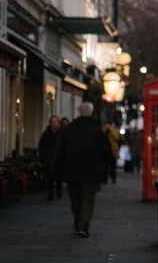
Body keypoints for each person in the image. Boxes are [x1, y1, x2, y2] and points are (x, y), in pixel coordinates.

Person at [52, 102, 112, 238]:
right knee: (87, 199)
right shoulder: (97, 131)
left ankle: (78, 223)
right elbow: (106, 151)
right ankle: (83, 227)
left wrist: (55, 170)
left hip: (72, 171)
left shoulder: (69, 129)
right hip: (91, 172)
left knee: (75, 200)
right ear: (91, 113)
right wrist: (104, 168)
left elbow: (59, 152)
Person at [37, 116, 62, 201]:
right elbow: (41, 145)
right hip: (49, 158)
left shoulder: (62, 134)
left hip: (59, 158)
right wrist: (43, 155)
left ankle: (59, 191)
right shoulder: (46, 134)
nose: (54, 123)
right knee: (50, 176)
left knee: (59, 176)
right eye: (53, 121)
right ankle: (50, 193)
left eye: (56, 121)